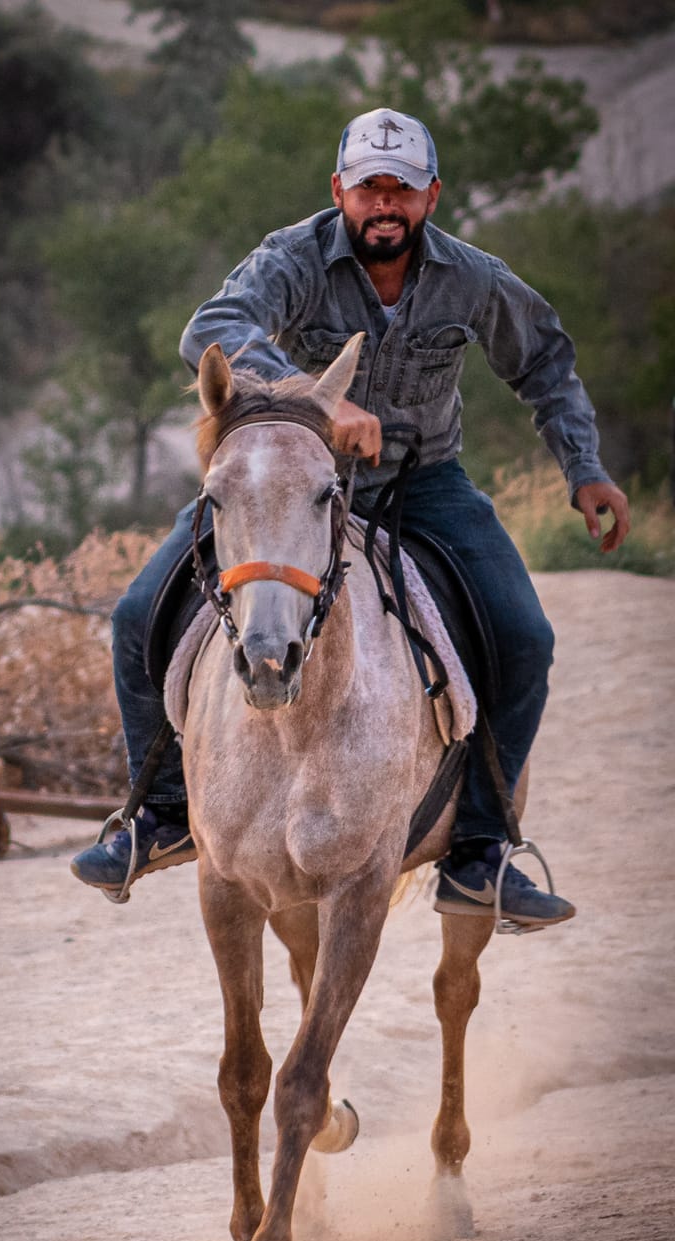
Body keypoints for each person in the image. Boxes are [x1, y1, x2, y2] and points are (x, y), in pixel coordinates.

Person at [71, 106, 630, 926]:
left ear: (431, 196)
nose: (384, 204)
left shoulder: (473, 277)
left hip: (423, 481)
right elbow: (213, 328)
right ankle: (156, 816)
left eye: (401, 189)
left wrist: (586, 472)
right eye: (369, 187)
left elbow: (544, 358)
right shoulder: (293, 258)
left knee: (525, 639)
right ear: (340, 190)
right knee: (134, 617)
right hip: (293, 477)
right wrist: (319, 407)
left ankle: (482, 852)